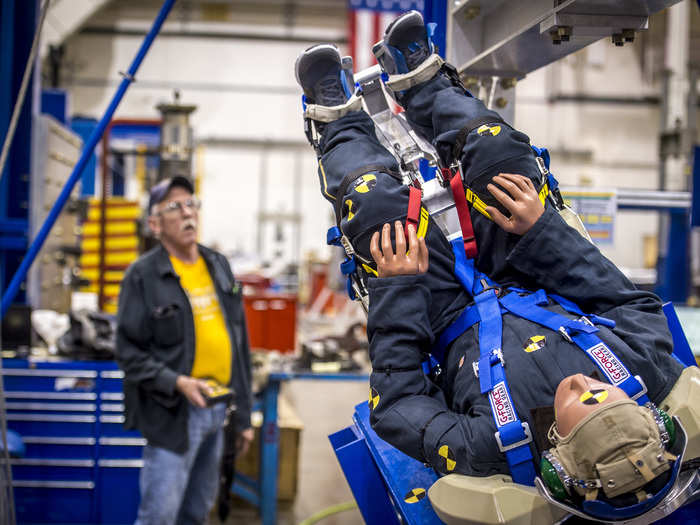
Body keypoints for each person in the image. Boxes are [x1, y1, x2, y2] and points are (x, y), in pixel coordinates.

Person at [295, 9, 696, 509]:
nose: (584, 386)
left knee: (375, 208)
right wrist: (542, 228)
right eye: (606, 397)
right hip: (528, 262)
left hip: (438, 305)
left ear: (559, 455)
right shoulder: (644, 370)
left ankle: (339, 124)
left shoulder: (488, 449)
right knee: (501, 157)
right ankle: (424, 86)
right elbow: (622, 298)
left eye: (582, 408)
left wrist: (396, 288)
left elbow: (397, 406)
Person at [115, 176, 254, 525]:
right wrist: (177, 382)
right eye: (174, 207)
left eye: (191, 203)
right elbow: (127, 352)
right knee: (159, 516)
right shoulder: (142, 276)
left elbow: (239, 343)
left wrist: (245, 418)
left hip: (218, 410)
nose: (187, 212)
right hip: (174, 415)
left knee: (196, 513)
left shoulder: (218, 264)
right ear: (154, 224)